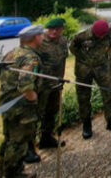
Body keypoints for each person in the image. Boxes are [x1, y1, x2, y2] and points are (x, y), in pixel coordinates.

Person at [0, 25, 43, 178]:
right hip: (21, 107)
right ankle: (13, 173)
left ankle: (2, 172)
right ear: (36, 37)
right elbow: (25, 85)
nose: (42, 38)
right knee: (19, 141)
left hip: (6, 103)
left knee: (9, 139)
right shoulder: (31, 58)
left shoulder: (11, 53)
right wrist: (33, 97)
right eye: (41, 35)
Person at [70, 20, 111, 139]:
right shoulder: (81, 36)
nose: (101, 37)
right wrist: (85, 59)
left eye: (103, 36)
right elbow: (72, 48)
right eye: (99, 36)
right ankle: (86, 125)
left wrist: (103, 55)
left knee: (108, 92)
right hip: (84, 69)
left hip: (102, 67)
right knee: (83, 96)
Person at [36, 17, 68, 150]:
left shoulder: (63, 41)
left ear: (62, 29)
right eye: (51, 29)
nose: (54, 32)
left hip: (56, 83)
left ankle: (46, 137)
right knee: (37, 114)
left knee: (52, 111)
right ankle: (29, 147)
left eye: (57, 29)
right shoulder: (39, 42)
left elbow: (63, 60)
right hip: (42, 86)